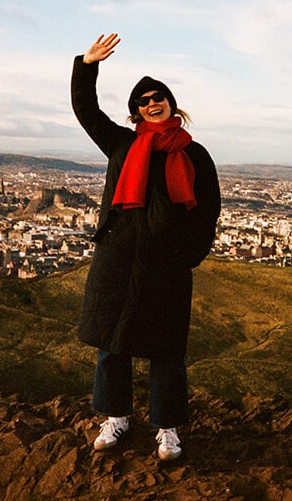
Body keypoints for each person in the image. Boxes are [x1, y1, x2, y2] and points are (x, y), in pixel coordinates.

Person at [71, 33, 221, 461]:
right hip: (119, 260)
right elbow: (86, 110)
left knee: (167, 350)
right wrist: (87, 64)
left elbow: (208, 210)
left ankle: (168, 427)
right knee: (111, 343)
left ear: (172, 103)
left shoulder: (195, 154)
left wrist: (187, 255)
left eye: (159, 97)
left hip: (167, 266)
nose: (152, 103)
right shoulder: (121, 144)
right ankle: (115, 417)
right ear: (136, 110)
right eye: (143, 100)